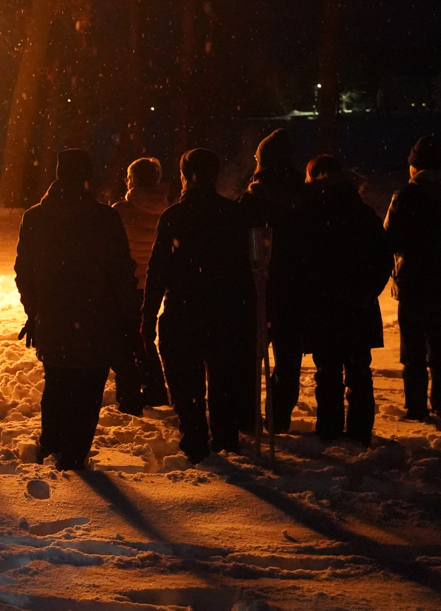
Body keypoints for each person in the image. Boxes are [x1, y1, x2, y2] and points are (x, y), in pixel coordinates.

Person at [15, 150, 140, 469]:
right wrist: (128, 317)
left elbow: (23, 271)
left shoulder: (35, 217)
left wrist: (36, 310)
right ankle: (73, 452)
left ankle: (52, 441)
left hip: (54, 319)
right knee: (87, 386)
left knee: (57, 379)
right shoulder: (104, 218)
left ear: (58, 174)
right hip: (97, 320)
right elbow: (122, 273)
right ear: (87, 176)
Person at [143, 149, 255, 464]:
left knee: (185, 380)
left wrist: (148, 316)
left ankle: (194, 434)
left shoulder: (175, 216)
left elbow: (157, 270)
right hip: (226, 311)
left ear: (184, 176)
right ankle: (225, 437)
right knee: (224, 379)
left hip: (184, 309)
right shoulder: (234, 215)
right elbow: (248, 269)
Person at [384, 136, 441, 427]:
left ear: (415, 166)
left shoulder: (407, 196)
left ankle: (416, 407)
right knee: (440, 349)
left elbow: (389, 239)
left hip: (412, 284)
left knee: (412, 352)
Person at [301, 156, 393, 444]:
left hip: (324, 306)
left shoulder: (312, 212)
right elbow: (382, 260)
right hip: (359, 306)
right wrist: (365, 294)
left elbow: (303, 260)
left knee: (327, 371)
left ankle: (328, 430)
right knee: (359, 371)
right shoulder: (363, 212)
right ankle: (359, 430)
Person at [236, 129, 309, 432]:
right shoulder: (304, 197)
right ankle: (278, 417)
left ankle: (248, 417)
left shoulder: (252, 198)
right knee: (288, 360)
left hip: (259, 287)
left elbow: (236, 242)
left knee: (250, 357)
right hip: (294, 288)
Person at [109, 158, 169, 413]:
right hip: (152, 285)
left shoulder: (120, 211)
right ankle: (153, 388)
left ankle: (134, 393)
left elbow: (112, 252)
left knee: (125, 341)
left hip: (127, 285)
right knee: (143, 337)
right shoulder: (167, 209)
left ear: (131, 180)